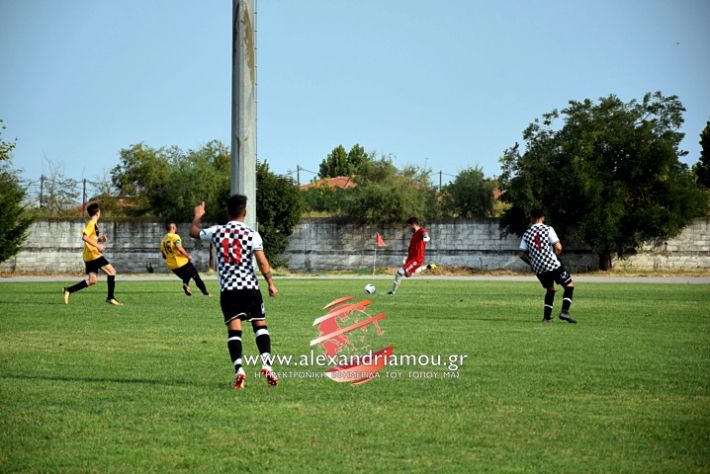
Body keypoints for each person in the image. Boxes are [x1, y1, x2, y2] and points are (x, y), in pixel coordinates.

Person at [189, 194, 279, 389]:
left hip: (229, 290)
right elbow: (262, 262)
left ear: (227, 212)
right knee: (260, 325)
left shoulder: (217, 231)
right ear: (244, 213)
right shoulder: (252, 234)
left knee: (234, 330)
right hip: (251, 288)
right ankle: (267, 364)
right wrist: (271, 283)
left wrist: (198, 216)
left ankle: (239, 369)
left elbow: (193, 232)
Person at [518, 208, 576, 323]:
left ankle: (546, 317)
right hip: (552, 264)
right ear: (543, 217)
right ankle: (564, 311)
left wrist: (532, 263)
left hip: (538, 268)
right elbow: (558, 247)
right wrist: (556, 254)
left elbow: (521, 254)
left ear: (531, 218)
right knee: (569, 285)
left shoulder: (527, 233)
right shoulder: (548, 229)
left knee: (550, 289)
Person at [63, 202, 122, 305]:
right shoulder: (91, 223)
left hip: (88, 256)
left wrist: (100, 239)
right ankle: (110, 297)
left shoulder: (94, 224)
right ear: (97, 213)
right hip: (93, 254)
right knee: (112, 272)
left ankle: (69, 290)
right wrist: (98, 246)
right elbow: (84, 237)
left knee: (92, 280)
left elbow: (91, 238)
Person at [160, 222, 210, 296]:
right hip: (181, 262)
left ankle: (186, 284)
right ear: (173, 228)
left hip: (172, 265)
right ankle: (206, 293)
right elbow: (179, 248)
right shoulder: (175, 237)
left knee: (187, 275)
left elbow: (164, 256)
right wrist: (187, 256)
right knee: (195, 276)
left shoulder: (163, 241)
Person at [388, 217, 431, 295]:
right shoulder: (414, 234)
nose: (408, 228)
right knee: (407, 274)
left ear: (413, 224)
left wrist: (426, 238)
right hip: (410, 258)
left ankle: (392, 292)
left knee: (399, 272)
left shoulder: (421, 231)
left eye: (409, 226)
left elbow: (426, 235)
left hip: (417, 259)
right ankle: (427, 267)